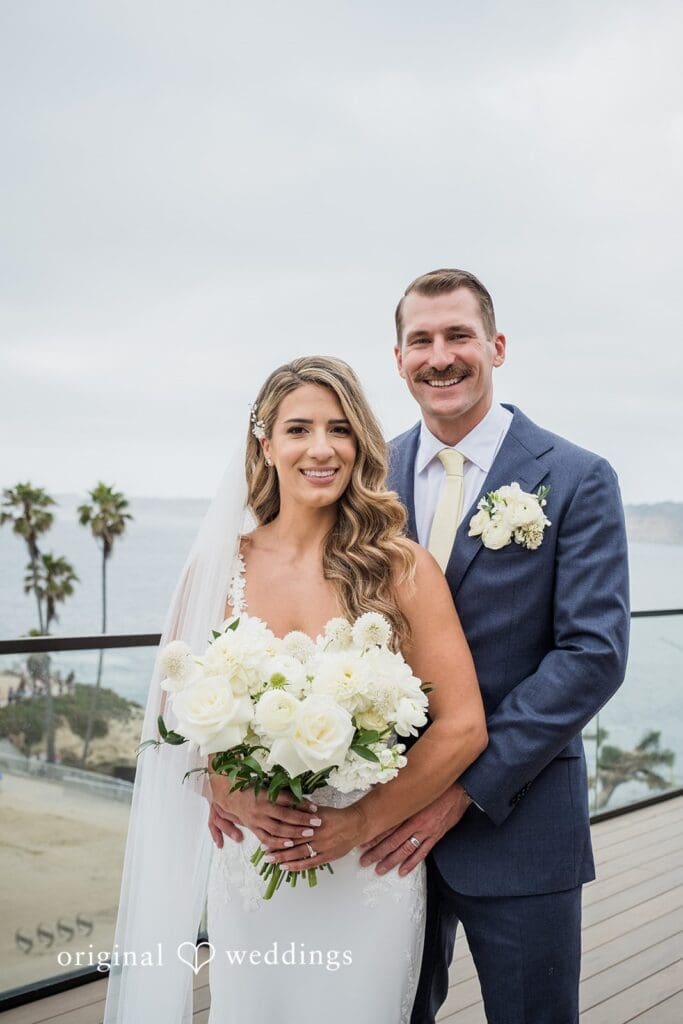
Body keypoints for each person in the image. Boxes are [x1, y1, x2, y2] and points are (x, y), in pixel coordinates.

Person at [104, 355, 487, 1024]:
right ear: (266, 443)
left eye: (339, 429)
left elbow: (462, 725)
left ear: (359, 442)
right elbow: (170, 724)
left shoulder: (400, 567)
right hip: (253, 869)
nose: (320, 448)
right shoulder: (218, 566)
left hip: (369, 867)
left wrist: (364, 821)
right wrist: (223, 784)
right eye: (298, 428)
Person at [356, 268, 631, 1023]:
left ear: (496, 346)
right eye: (421, 340)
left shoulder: (574, 478)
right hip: (375, 821)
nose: (439, 356)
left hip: (517, 821)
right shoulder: (364, 476)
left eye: (457, 337)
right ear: (398, 357)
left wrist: (455, 791)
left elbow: (592, 654)